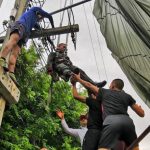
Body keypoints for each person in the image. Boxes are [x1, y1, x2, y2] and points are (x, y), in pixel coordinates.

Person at [72, 73, 145, 150]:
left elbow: (89, 86)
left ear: (113, 85)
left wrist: (78, 79)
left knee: (103, 148)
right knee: (135, 147)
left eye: (110, 85)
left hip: (111, 122)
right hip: (128, 122)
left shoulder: (105, 92)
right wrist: (140, 109)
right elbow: (141, 114)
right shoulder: (127, 96)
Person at [0, 7, 54, 84]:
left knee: (16, 53)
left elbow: (41, 30)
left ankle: (11, 72)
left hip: (25, 34)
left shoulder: (34, 22)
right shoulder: (34, 10)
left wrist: (49, 39)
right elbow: (49, 16)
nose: (41, 19)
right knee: (13, 41)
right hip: (20, 25)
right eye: (41, 17)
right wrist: (53, 26)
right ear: (40, 14)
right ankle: (1, 58)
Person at [71, 77, 103, 150]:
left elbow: (75, 96)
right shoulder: (104, 104)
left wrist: (74, 84)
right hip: (103, 134)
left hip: (93, 133)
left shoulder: (93, 102)